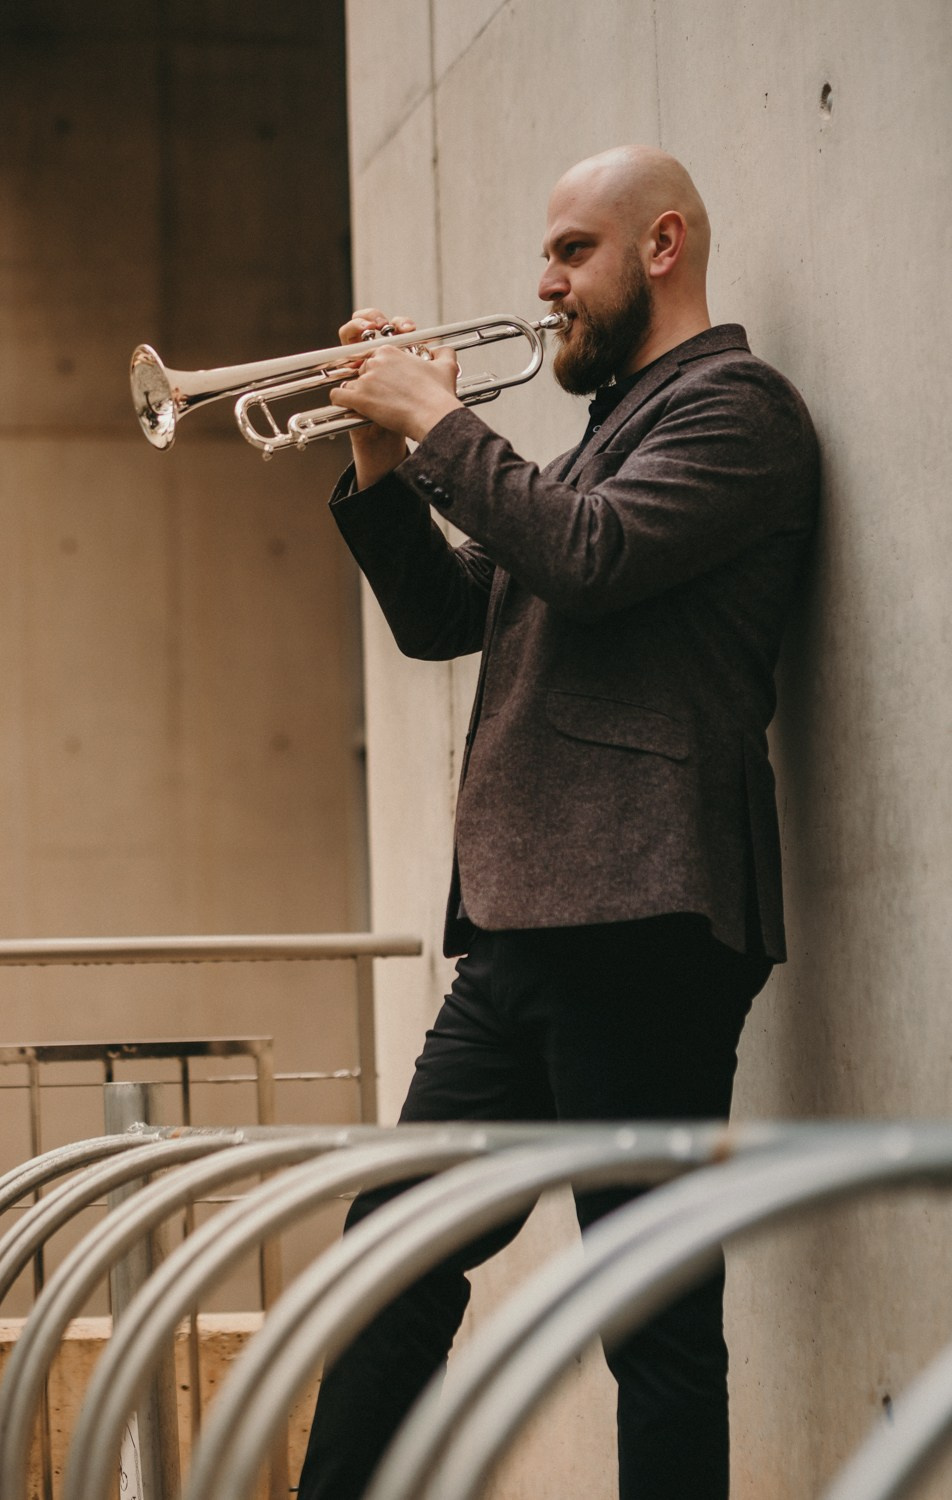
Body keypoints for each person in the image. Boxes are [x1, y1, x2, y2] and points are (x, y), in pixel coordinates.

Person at [297, 145, 819, 1500]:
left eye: (572, 252)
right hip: (526, 926)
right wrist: (378, 447)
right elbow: (441, 616)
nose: (543, 283)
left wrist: (444, 428)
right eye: (545, 255)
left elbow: (585, 558)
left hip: (647, 917)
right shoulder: (601, 437)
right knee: (392, 1260)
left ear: (661, 247)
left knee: (648, 1320)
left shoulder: (737, 413)